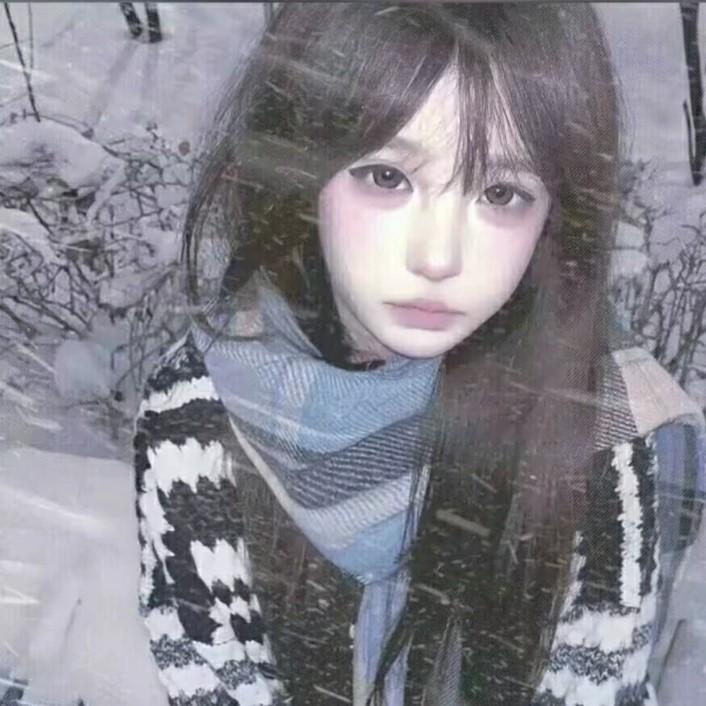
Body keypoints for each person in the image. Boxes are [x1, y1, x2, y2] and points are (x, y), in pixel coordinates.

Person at [2, 4, 704, 706]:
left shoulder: (611, 433)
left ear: (555, 212)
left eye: (501, 193)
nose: (439, 255)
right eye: (387, 178)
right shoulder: (203, 405)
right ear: (301, 167)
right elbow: (215, 674)